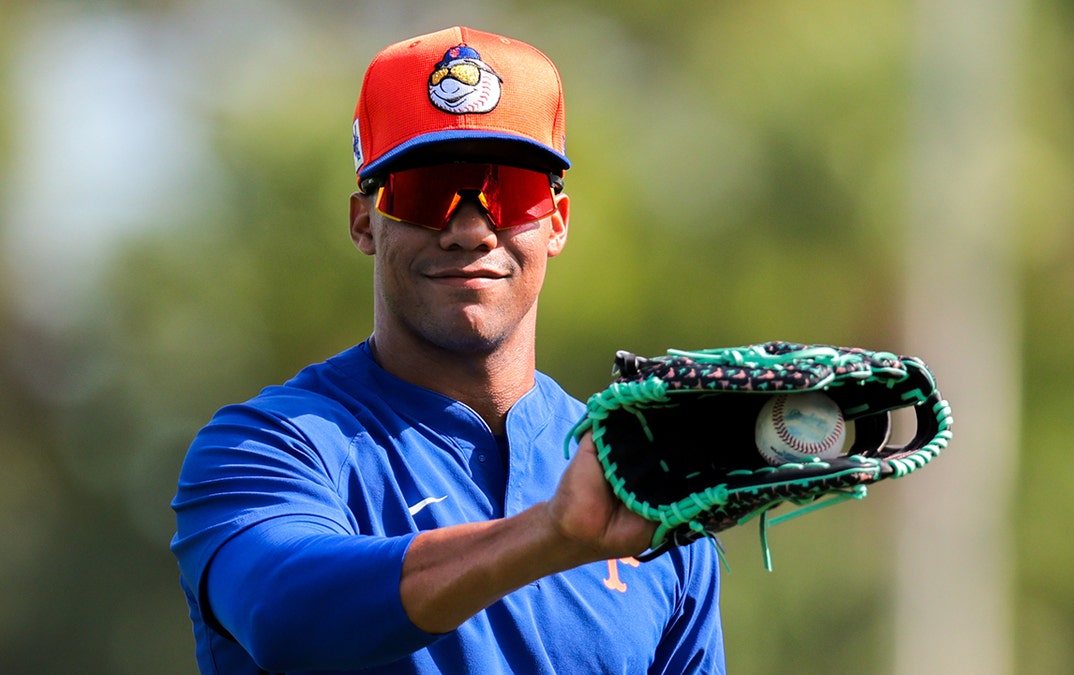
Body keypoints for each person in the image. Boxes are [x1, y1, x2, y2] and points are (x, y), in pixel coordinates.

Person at [171, 26, 725, 674]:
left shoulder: (637, 482)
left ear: (557, 221)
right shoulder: (270, 445)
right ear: (363, 220)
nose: (470, 228)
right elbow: (284, 615)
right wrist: (548, 535)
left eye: (511, 190)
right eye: (428, 192)